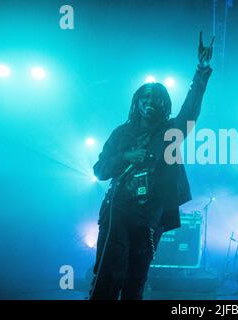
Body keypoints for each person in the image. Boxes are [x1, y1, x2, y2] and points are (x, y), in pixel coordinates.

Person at [89, 32, 214, 300]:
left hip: (151, 213)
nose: (149, 103)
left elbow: (190, 111)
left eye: (156, 99)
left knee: (137, 275)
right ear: (137, 102)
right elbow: (99, 170)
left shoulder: (171, 131)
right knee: (110, 270)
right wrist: (126, 156)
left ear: (163, 105)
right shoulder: (121, 133)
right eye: (144, 98)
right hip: (118, 209)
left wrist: (201, 72)